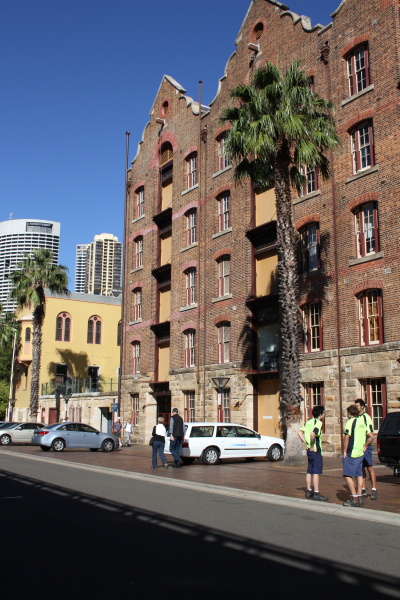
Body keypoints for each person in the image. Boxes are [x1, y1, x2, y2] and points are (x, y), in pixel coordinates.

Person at [342, 404, 374, 507]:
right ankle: (359, 496)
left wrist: (344, 451)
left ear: (349, 413)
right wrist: (365, 445)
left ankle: (354, 497)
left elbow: (347, 437)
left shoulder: (350, 422)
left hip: (352, 452)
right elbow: (371, 436)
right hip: (360, 452)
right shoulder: (362, 422)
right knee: (359, 474)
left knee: (347, 475)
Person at [298, 405, 329, 502]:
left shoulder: (308, 422)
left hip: (309, 451)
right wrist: (311, 445)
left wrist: (305, 442)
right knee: (316, 472)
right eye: (323, 413)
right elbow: (313, 434)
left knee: (309, 470)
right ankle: (316, 492)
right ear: (320, 414)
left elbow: (299, 432)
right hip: (315, 450)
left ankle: (309, 490)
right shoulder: (318, 423)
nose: (324, 415)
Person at [355, 398, 377, 500]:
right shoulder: (356, 417)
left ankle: (374, 489)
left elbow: (371, 433)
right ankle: (363, 488)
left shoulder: (366, 417)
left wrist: (366, 445)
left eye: (357, 406)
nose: (356, 407)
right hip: (358, 447)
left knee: (369, 467)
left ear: (362, 406)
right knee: (361, 468)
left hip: (366, 446)